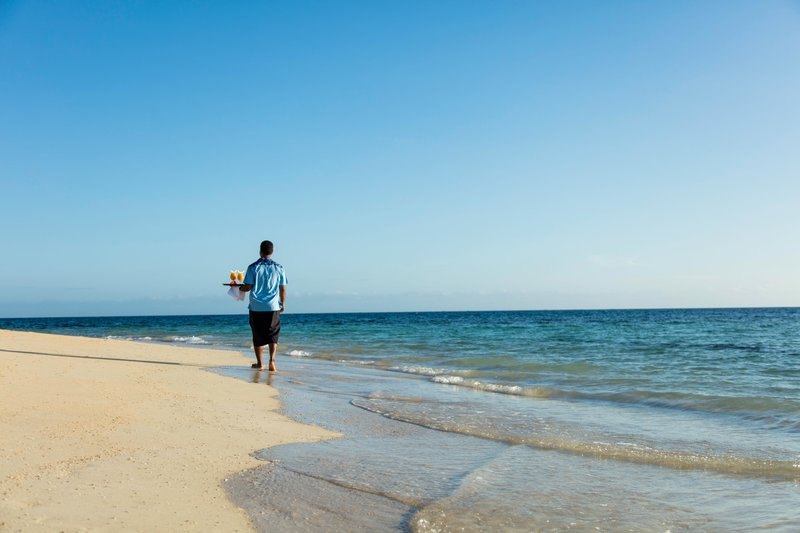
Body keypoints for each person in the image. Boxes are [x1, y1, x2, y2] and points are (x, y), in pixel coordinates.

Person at [238, 240, 287, 372]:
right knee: (273, 334)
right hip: (273, 306)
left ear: (260, 251)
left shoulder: (253, 267)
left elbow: (248, 287)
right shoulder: (279, 268)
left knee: (257, 334)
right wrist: (283, 303)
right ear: (272, 251)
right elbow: (282, 288)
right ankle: (272, 361)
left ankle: (260, 363)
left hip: (256, 306)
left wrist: (239, 288)